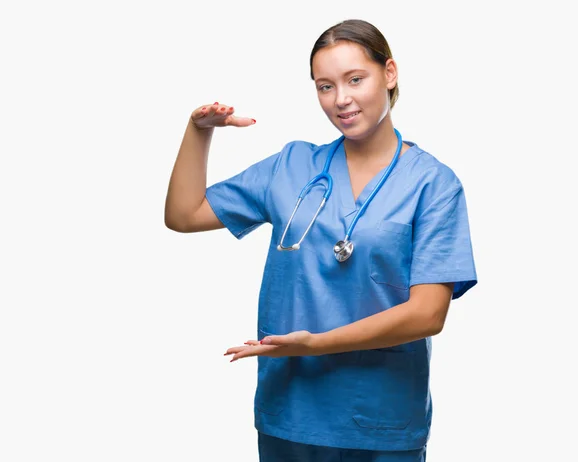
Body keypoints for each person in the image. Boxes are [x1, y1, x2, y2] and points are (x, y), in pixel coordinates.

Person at [164, 18, 477, 462]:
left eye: (355, 79)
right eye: (324, 86)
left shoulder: (433, 184)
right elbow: (183, 215)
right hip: (291, 414)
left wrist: (314, 344)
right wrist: (199, 131)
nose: (341, 99)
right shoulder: (290, 166)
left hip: (380, 421)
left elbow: (428, 313)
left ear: (389, 73)